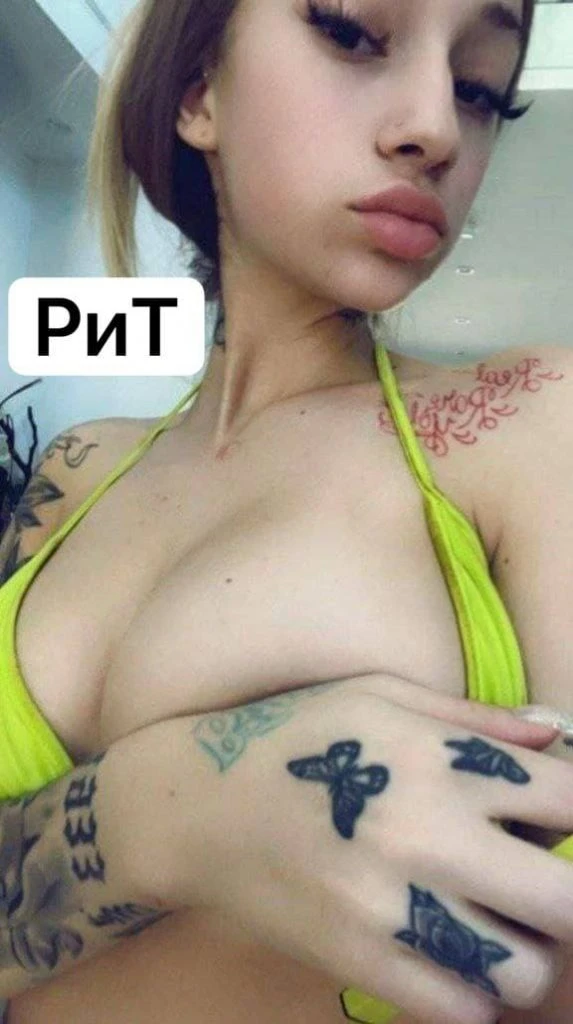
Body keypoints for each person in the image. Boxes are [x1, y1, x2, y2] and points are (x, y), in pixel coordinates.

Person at [2, 0, 573, 1021]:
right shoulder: (74, 470)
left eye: (480, 88)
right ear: (197, 93)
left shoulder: (533, 424)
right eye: (351, 31)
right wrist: (170, 808)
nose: (436, 127)